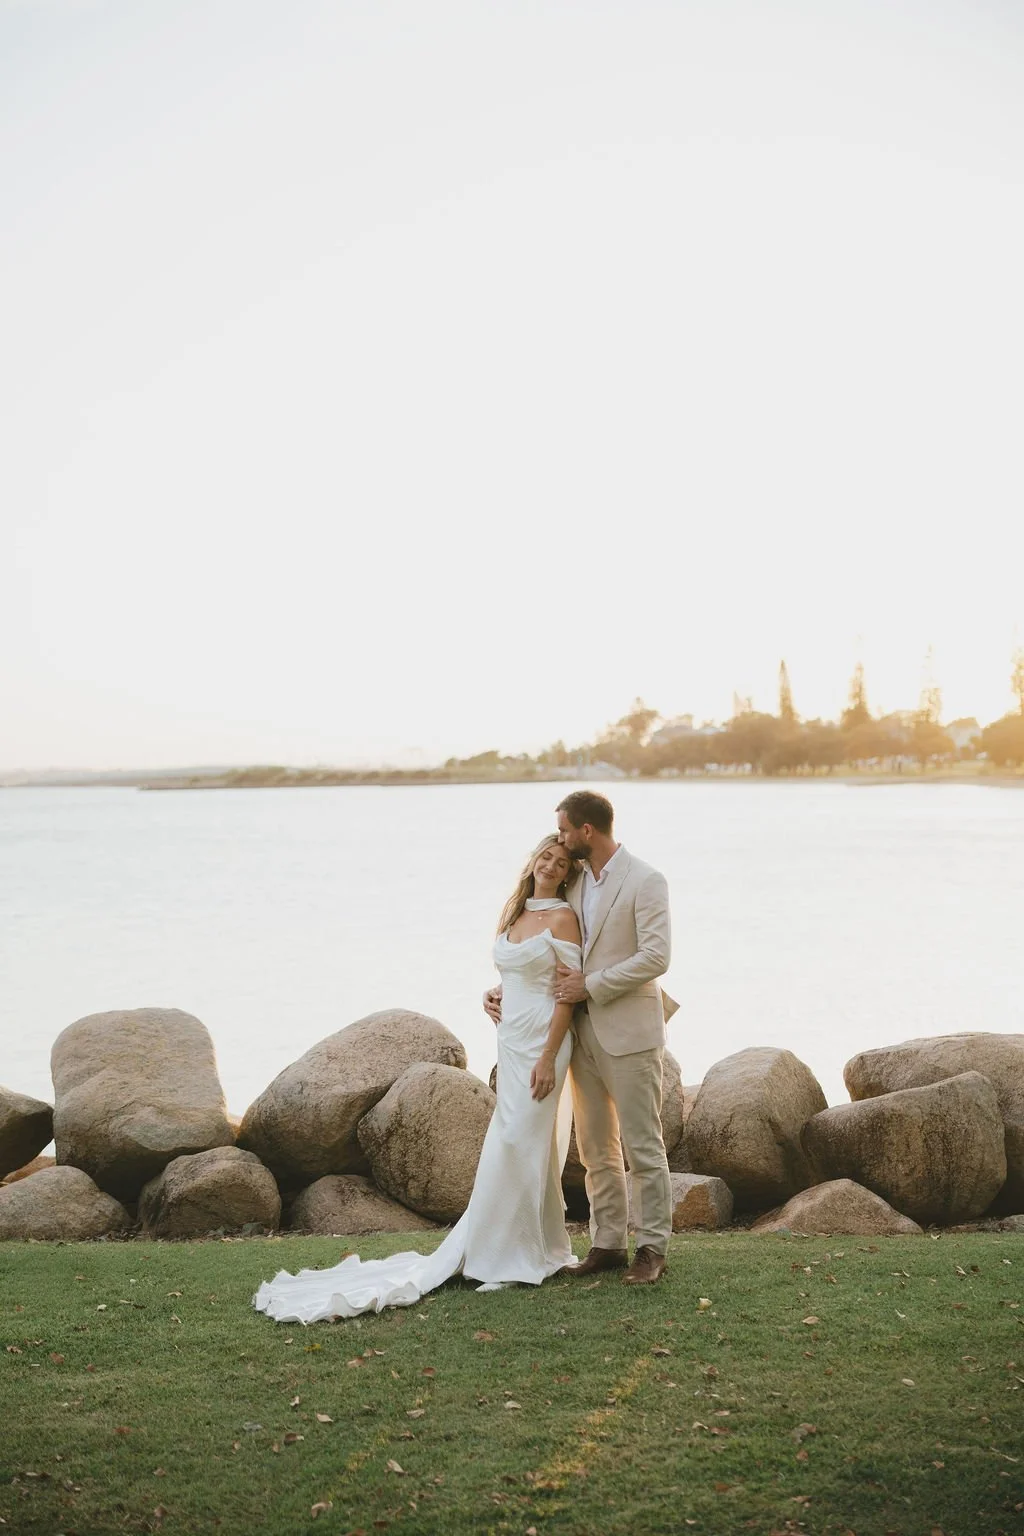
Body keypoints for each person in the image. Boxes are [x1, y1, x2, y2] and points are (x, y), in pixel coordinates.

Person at [253, 835, 584, 1324]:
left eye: (560, 862)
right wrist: (492, 994)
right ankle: (518, 1249)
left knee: (521, 1143)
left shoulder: (562, 917)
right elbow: (519, 972)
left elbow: (565, 995)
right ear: (534, 860)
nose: (550, 866)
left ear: (568, 872)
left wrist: (549, 1055)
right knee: (511, 1142)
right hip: (512, 1039)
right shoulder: (516, 915)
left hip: (543, 1043)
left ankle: (516, 1257)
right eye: (545, 857)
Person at [484, 791, 672, 1284]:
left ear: (587, 830)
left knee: (643, 1144)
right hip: (579, 1032)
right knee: (594, 1147)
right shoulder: (575, 881)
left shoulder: (646, 880)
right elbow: (550, 951)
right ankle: (607, 1243)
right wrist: (507, 987)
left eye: (565, 830)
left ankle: (652, 1248)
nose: (560, 839)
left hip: (628, 1030)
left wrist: (591, 985)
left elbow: (656, 957)